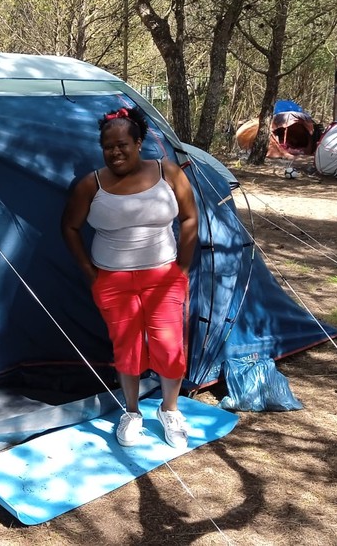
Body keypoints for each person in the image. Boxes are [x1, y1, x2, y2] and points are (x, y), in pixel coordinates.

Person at [61, 106, 198, 449]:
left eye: (123, 144)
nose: (115, 152)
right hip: (113, 280)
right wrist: (92, 274)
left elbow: (190, 218)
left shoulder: (168, 173)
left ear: (139, 143)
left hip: (164, 276)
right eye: (108, 146)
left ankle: (170, 410)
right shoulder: (90, 185)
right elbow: (70, 227)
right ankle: (132, 412)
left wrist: (181, 267)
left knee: (168, 345)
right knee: (127, 348)